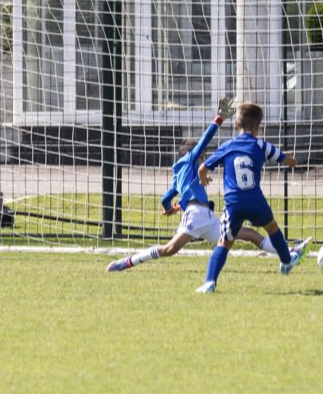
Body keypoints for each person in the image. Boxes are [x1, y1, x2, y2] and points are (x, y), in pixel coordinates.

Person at [106, 97, 276, 273]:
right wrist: (219, 118)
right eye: (201, 156)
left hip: (207, 218)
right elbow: (205, 139)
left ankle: (287, 252)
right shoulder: (190, 160)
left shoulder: (177, 176)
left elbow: (165, 199)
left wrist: (170, 209)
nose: (203, 160)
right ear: (191, 155)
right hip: (195, 214)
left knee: (249, 234)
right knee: (169, 249)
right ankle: (127, 262)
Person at [195, 101, 311, 293]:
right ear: (258, 127)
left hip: (234, 203)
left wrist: (203, 179)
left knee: (224, 243)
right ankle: (286, 261)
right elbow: (291, 162)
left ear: (236, 124)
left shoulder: (228, 146)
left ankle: (210, 282)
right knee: (272, 227)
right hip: (256, 201)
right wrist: (289, 158)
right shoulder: (262, 145)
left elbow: (202, 169)